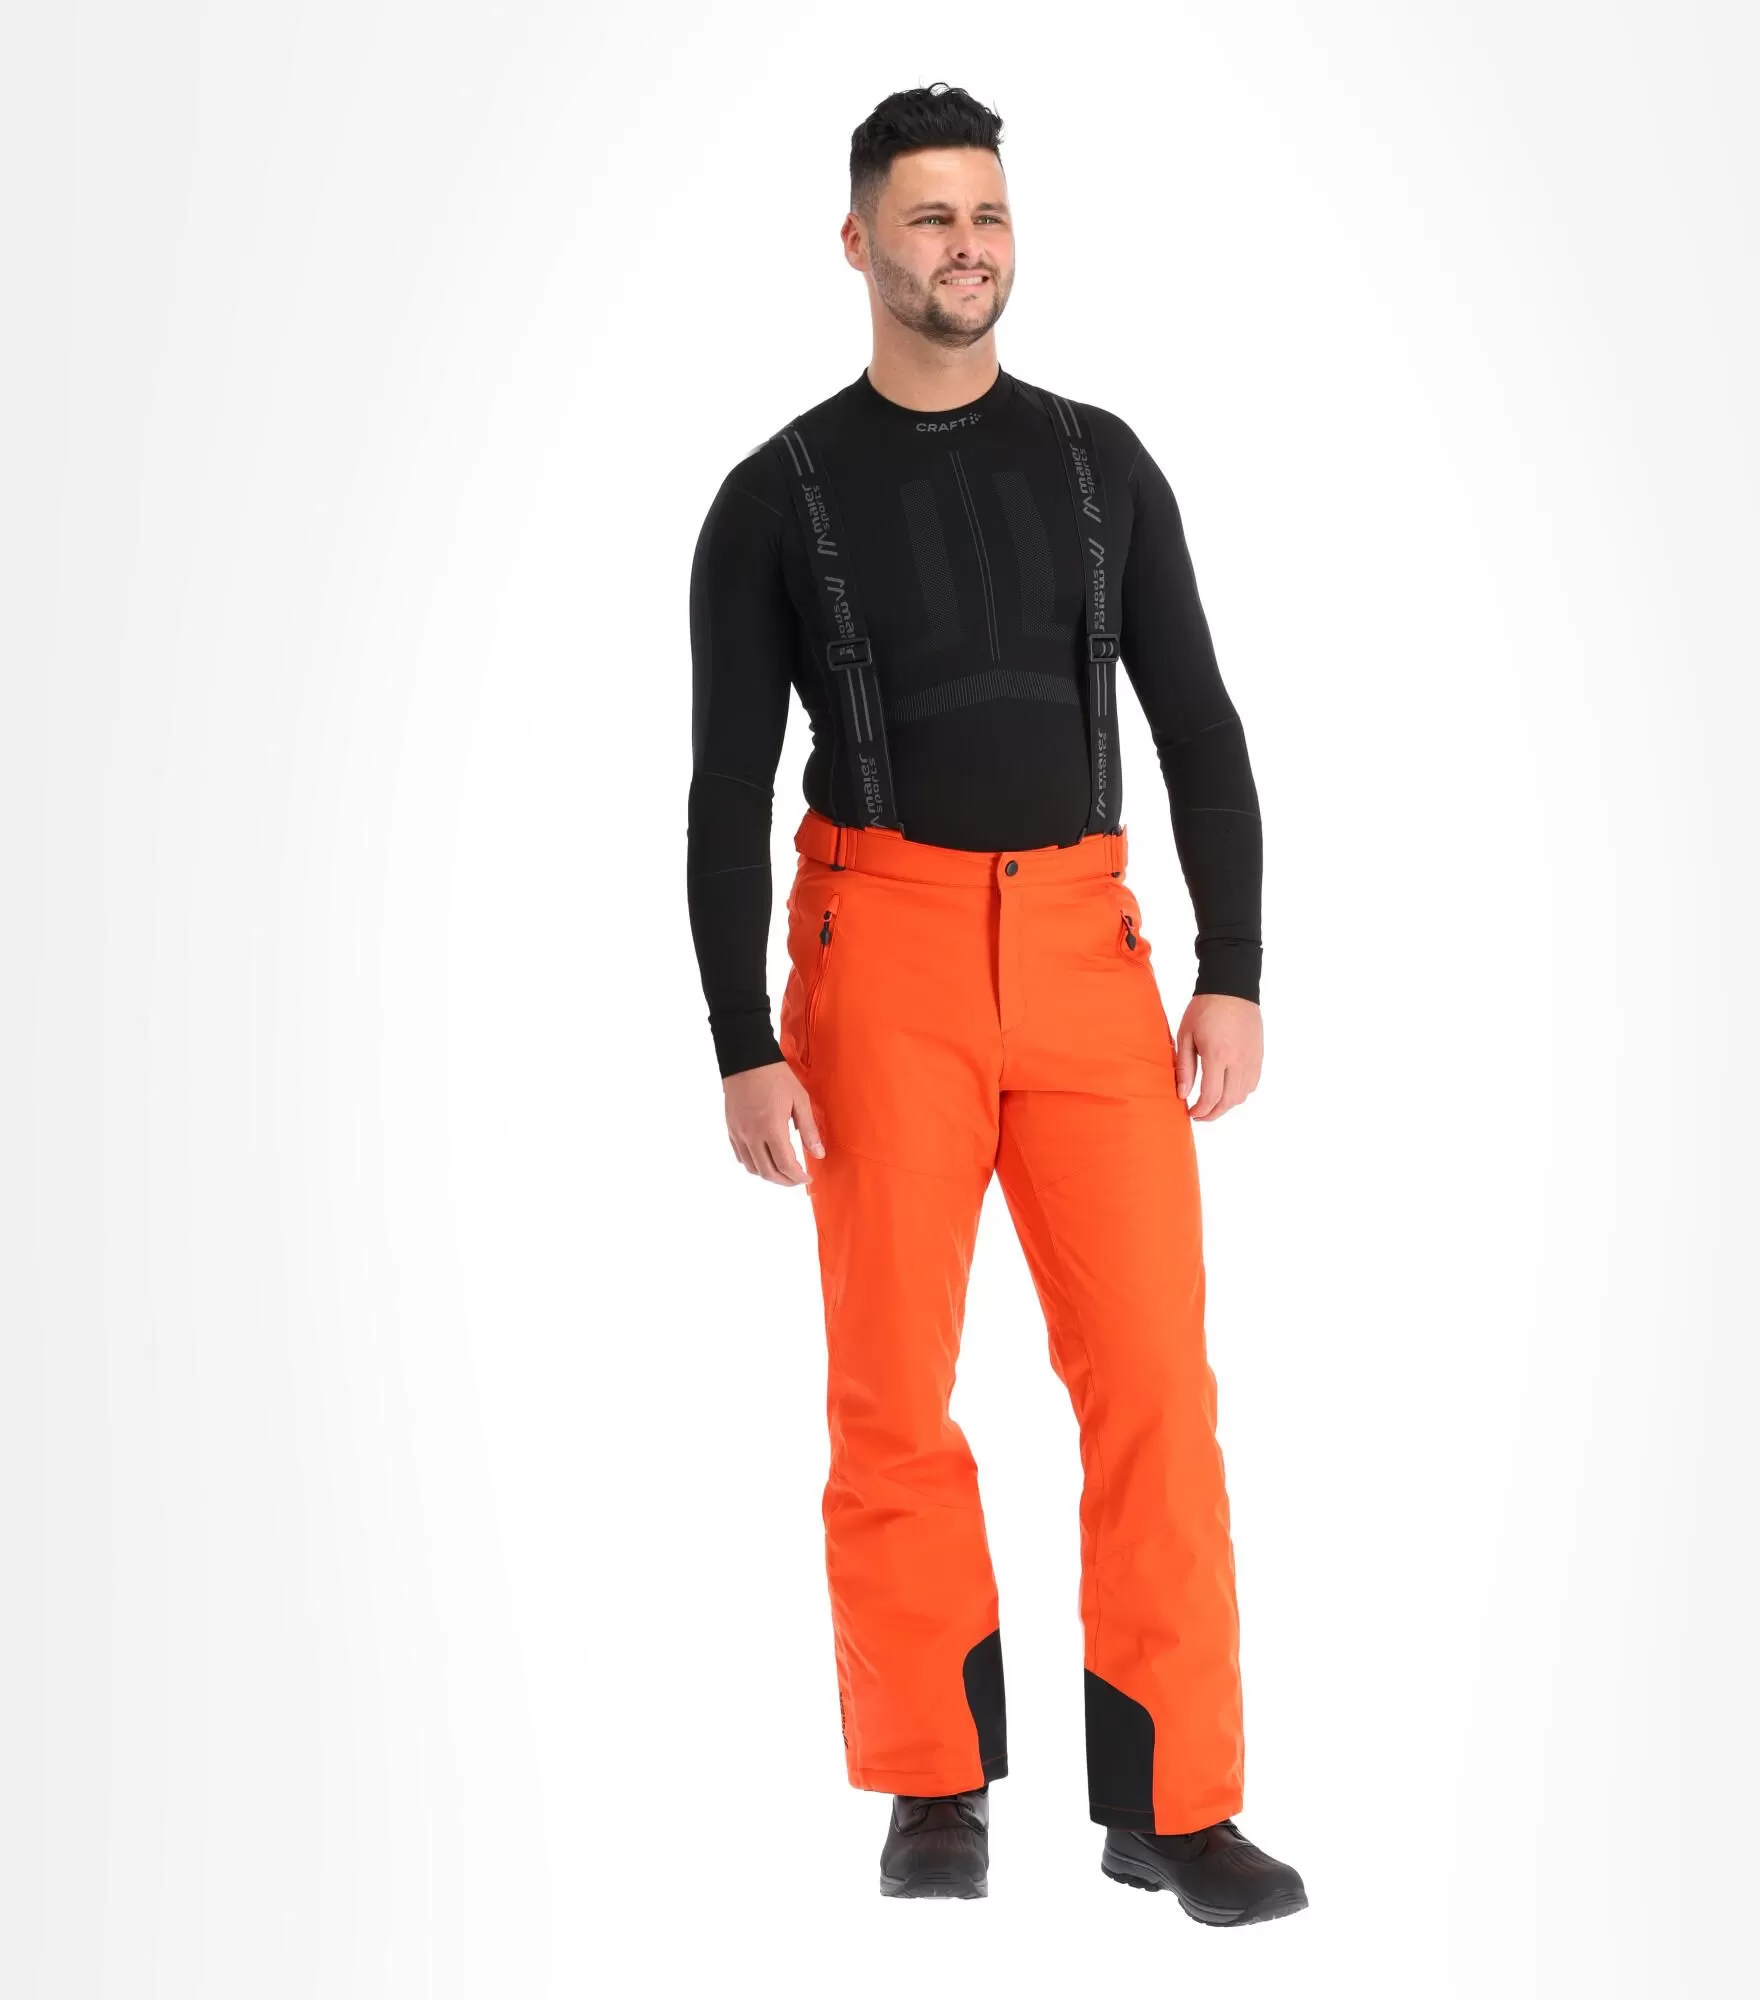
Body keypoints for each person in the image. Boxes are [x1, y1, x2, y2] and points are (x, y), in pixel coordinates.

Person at [685, 82, 1306, 1928]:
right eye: (931, 216)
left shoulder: (1103, 464)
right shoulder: (775, 496)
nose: (967, 247)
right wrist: (741, 1040)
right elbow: (722, 792)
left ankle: (1174, 1805)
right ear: (858, 239)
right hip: (875, 957)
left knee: (1156, 1384)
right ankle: (932, 1782)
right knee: (892, 1390)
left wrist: (1233, 967)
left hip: (1087, 957)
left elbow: (1200, 728)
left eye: (990, 215)